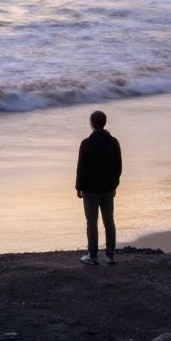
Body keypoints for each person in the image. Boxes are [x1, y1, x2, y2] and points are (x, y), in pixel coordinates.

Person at [74, 109, 122, 265]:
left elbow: (81, 168)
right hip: (108, 187)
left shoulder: (86, 143)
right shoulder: (113, 142)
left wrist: (78, 187)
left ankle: (92, 255)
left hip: (90, 189)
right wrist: (115, 184)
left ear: (91, 124)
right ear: (105, 123)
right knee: (109, 221)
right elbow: (118, 166)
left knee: (92, 221)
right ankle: (110, 255)